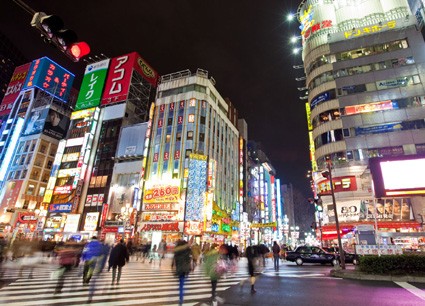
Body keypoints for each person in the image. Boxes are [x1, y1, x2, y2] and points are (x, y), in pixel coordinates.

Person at [172, 240, 191, 305]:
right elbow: (189, 259)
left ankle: (181, 299)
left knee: (181, 283)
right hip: (185, 268)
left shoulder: (177, 250)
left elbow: (175, 259)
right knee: (182, 283)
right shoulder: (187, 250)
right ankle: (181, 298)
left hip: (179, 268)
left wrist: (173, 266)